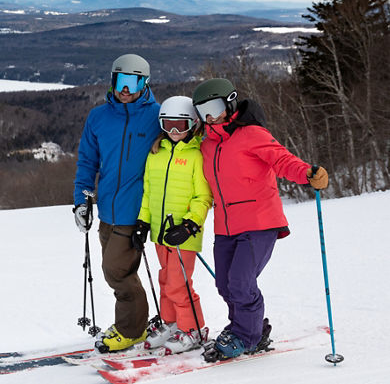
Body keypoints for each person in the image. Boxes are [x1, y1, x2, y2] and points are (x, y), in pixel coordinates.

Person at [192, 78, 329, 360]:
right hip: (226, 225)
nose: (209, 116)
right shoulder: (206, 144)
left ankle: (246, 336)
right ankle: (250, 328)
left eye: (214, 107)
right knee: (225, 285)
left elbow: (282, 160)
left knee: (241, 282)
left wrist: (307, 173)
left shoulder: (252, 134)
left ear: (229, 103)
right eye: (202, 110)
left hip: (259, 221)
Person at [73, 54, 161, 353]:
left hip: (136, 211)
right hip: (107, 210)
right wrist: (81, 202)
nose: (125, 89)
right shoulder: (98, 117)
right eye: (120, 81)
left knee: (116, 271)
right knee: (119, 271)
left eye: (132, 82)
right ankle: (134, 320)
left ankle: (131, 330)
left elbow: (187, 136)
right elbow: (87, 162)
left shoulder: (157, 116)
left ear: (144, 83)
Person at [132, 96, 213, 354]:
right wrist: (143, 222)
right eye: (168, 125)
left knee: (180, 283)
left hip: (183, 234)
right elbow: (148, 192)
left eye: (180, 124)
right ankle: (171, 323)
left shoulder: (197, 155)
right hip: (160, 231)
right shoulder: (156, 153)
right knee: (166, 279)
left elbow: (204, 197)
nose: (174, 131)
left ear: (193, 124)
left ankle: (194, 329)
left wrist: (190, 224)